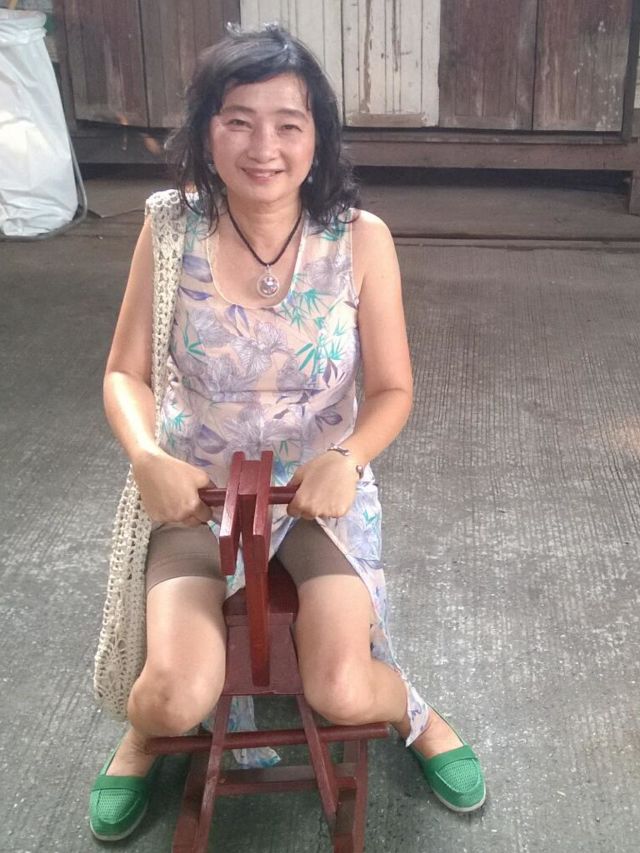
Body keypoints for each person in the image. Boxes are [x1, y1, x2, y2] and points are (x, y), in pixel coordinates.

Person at [89, 24, 486, 842]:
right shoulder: (170, 228)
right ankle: (146, 731)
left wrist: (349, 455)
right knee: (171, 695)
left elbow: (393, 389)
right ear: (206, 131)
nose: (263, 146)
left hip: (315, 496)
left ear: (319, 137)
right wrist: (147, 457)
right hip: (197, 493)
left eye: (288, 123)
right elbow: (123, 372)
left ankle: (412, 710)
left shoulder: (361, 239)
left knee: (343, 687)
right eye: (237, 120)